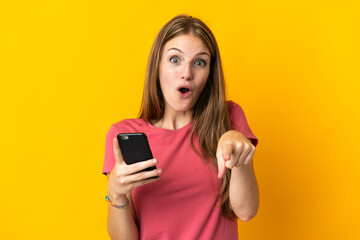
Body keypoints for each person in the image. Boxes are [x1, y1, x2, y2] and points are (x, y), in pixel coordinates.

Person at [102, 14, 259, 240]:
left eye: (199, 62)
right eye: (175, 59)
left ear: (209, 75)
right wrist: (116, 194)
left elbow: (246, 211)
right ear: (157, 66)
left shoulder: (229, 119)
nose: (186, 73)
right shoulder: (122, 135)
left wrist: (236, 146)